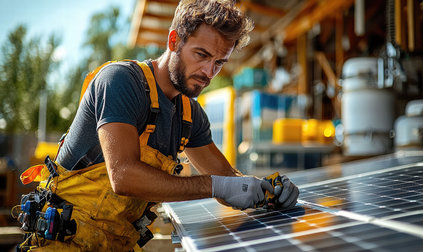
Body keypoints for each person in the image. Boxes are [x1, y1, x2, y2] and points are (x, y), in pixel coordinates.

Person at [16, 0, 299, 250]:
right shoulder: (121, 82)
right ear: (174, 40)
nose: (209, 73)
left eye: (219, 62)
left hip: (117, 245)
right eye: (201, 55)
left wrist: (266, 191)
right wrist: (216, 186)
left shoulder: (190, 115)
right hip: (61, 245)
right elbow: (123, 176)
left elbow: (228, 180)